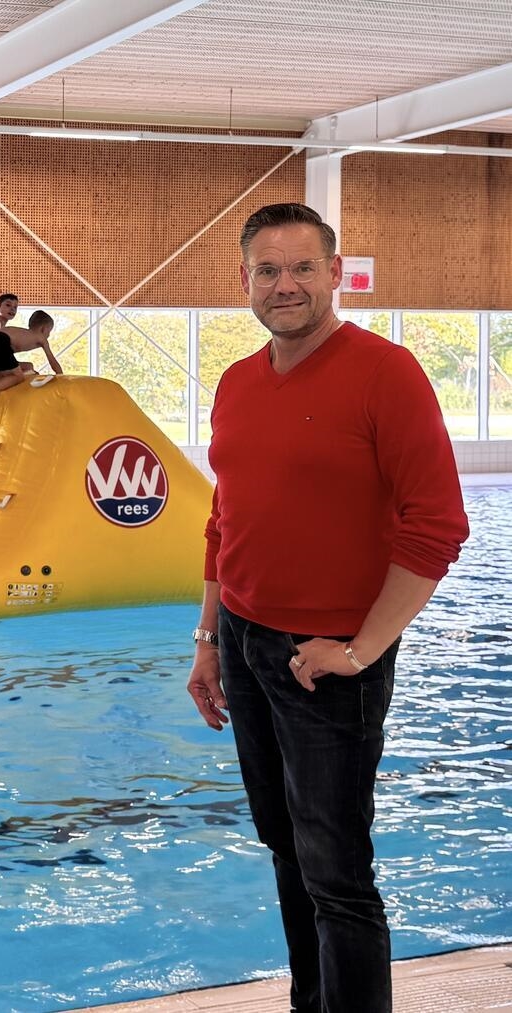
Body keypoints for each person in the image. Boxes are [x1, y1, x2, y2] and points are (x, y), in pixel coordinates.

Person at [186, 202, 469, 1013]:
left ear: (336, 274)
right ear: (243, 280)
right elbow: (223, 518)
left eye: (304, 267)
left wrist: (361, 647)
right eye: (268, 270)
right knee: (284, 845)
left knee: (337, 870)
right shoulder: (238, 382)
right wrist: (209, 638)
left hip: (328, 657)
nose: (286, 285)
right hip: (244, 639)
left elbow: (438, 524)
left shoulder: (388, 372)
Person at [0, 310, 62, 422]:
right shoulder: (41, 338)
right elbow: (52, 361)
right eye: (49, 332)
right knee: (18, 376)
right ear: (44, 329)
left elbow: (6, 356)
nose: (48, 335)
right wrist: (61, 376)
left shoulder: (21, 333)